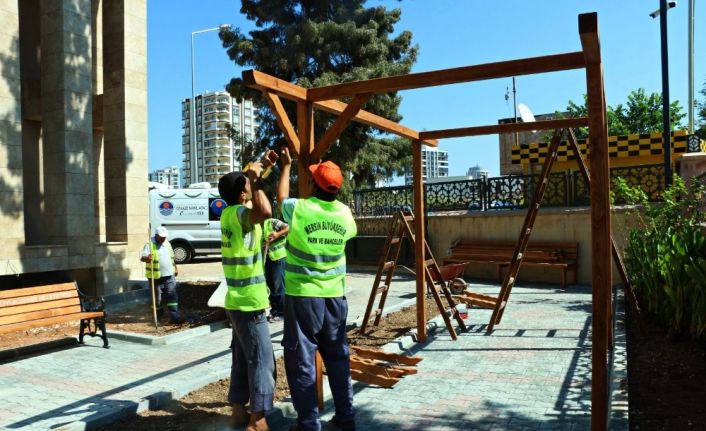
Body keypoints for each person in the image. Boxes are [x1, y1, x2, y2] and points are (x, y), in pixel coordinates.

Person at [277, 148, 358, 431]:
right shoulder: (345, 214)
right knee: (337, 357)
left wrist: (286, 167)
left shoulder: (300, 208)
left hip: (303, 298)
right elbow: (350, 234)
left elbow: (281, 200)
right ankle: (346, 417)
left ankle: (308, 424)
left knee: (302, 361)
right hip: (335, 297)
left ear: (314, 184)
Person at [218, 160, 275, 431]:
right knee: (263, 361)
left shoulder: (229, 214)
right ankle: (258, 419)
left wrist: (263, 170)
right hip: (250, 302)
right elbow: (265, 209)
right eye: (246, 187)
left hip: (236, 302)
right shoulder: (241, 213)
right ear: (242, 193)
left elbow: (256, 204)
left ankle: (238, 412)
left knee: (243, 358)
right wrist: (258, 181)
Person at [140, 226, 181, 324]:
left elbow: (172, 257)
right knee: (157, 299)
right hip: (156, 277)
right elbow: (142, 258)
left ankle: (175, 317)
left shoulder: (167, 243)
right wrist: (147, 258)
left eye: (164, 237)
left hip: (169, 275)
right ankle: (157, 318)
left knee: (172, 296)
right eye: (161, 237)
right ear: (156, 235)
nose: (163, 238)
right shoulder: (149, 244)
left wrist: (175, 267)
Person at [263, 217, 289, 322]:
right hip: (268, 258)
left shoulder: (271, 222)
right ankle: (274, 311)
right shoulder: (256, 225)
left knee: (279, 286)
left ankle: (281, 312)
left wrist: (277, 234)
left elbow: (288, 228)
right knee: (270, 286)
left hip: (279, 257)